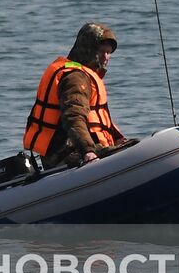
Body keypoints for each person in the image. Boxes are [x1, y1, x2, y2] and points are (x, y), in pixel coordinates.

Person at [22, 21, 125, 168]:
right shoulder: (75, 78)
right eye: (102, 51)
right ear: (88, 49)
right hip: (66, 153)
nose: (106, 57)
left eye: (109, 53)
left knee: (132, 145)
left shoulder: (83, 74)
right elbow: (74, 117)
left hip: (76, 149)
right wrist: (88, 151)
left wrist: (117, 139)